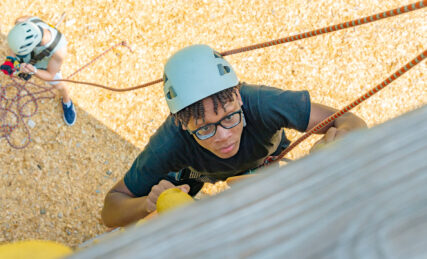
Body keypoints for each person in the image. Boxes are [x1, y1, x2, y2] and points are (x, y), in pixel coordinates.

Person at [101, 44, 367, 227]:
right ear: (180, 123)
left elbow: (349, 120)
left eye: (230, 117)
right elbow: (111, 208)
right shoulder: (169, 144)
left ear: (238, 96)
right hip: (191, 174)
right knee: (169, 209)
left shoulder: (262, 103)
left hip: (264, 159)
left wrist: (343, 139)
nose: (224, 136)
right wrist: (147, 204)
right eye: (204, 128)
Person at [0, 16, 76, 126]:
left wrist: (33, 70)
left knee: (60, 86)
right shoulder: (24, 22)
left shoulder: (59, 50)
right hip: (27, 58)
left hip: (45, 67)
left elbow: (50, 75)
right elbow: (16, 43)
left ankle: (67, 101)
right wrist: (11, 59)